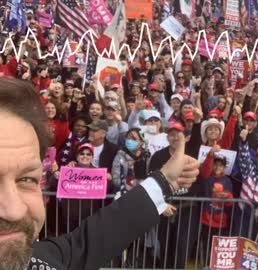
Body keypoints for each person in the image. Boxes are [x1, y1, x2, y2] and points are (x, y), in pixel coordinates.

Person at [0, 78, 200, 270]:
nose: (15, 210)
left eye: (26, 179)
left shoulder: (44, 262)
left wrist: (165, 181)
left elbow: (92, 241)